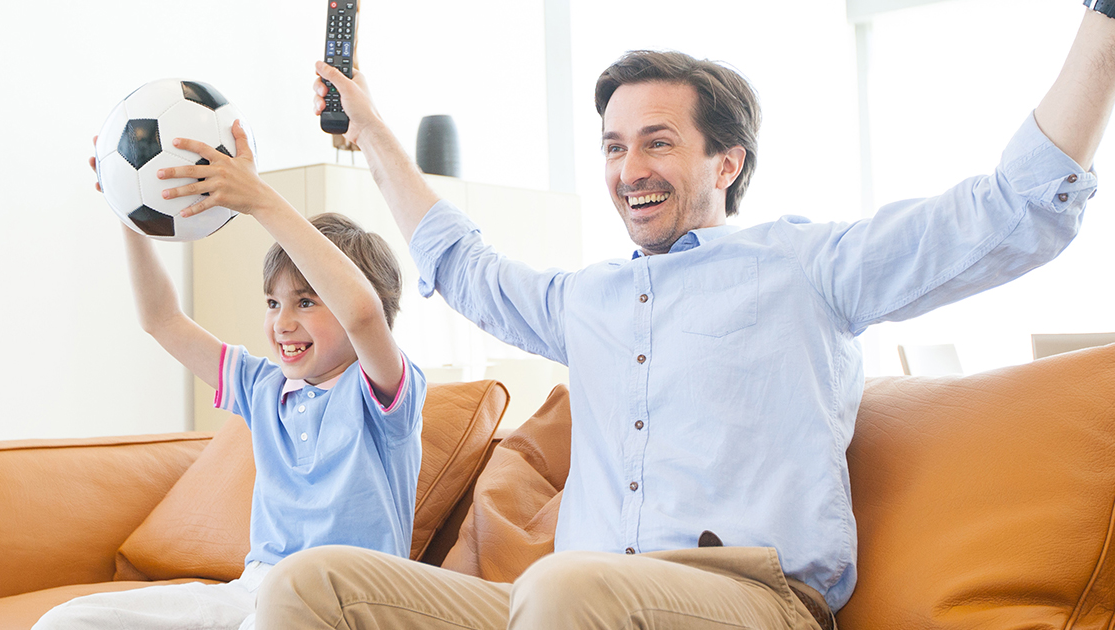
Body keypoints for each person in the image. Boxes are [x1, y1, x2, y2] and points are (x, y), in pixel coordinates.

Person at [255, 5, 1115, 630]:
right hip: (576, 600)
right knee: (311, 584)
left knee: (563, 588)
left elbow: (1011, 211)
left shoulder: (804, 267)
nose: (631, 167)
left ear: (728, 162)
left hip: (747, 598)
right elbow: (460, 261)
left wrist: (1101, 26)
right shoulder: (583, 301)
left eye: (658, 141)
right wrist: (367, 127)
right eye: (615, 146)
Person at [34, 123, 426, 630]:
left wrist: (259, 200)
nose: (283, 322)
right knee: (70, 621)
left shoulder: (383, 390)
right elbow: (161, 320)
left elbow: (362, 314)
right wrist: (130, 213)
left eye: (306, 302)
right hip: (255, 589)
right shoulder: (262, 388)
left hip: (350, 600)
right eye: (273, 303)